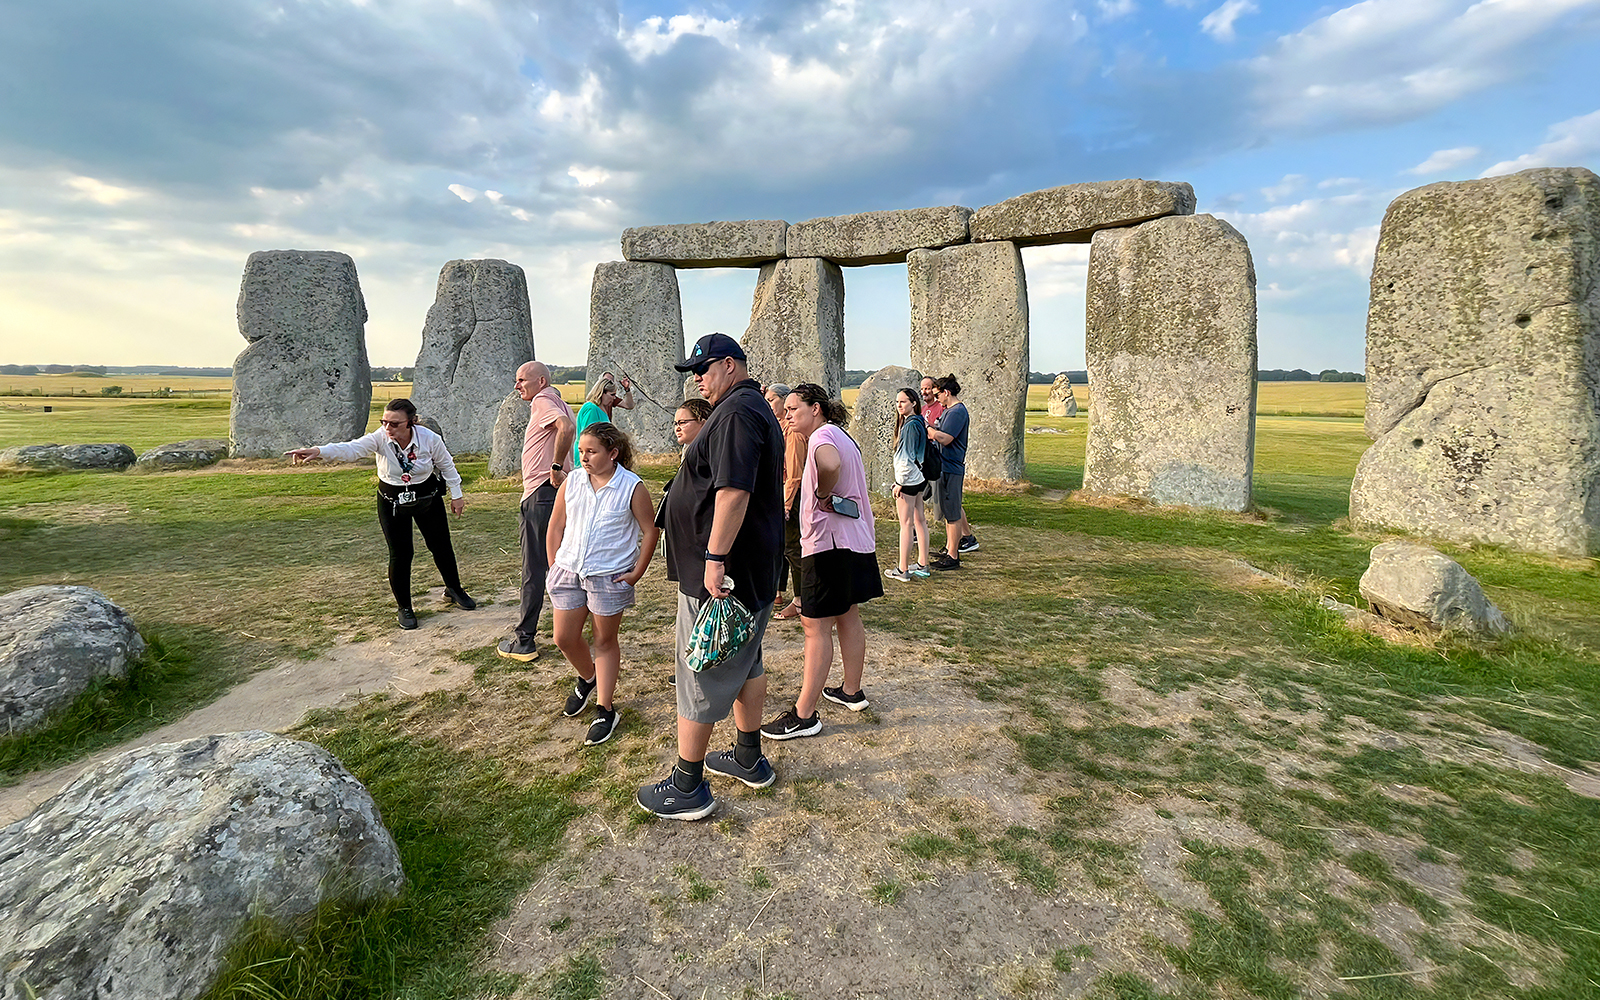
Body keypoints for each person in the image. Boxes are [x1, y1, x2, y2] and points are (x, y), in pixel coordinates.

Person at [636, 333, 785, 821]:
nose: (697, 379)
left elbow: (733, 493)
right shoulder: (747, 407)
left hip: (726, 575)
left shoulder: (739, 413)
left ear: (730, 365)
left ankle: (688, 786)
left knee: (702, 667)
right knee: (747, 664)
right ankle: (747, 757)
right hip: (750, 569)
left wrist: (714, 559)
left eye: (702, 369)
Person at [286, 398, 474, 630]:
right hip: (391, 500)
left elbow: (447, 465)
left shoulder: (429, 438)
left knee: (441, 545)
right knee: (401, 553)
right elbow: (351, 448)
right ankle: (404, 607)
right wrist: (319, 451)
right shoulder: (380, 438)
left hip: (427, 495)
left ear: (411, 422)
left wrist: (457, 495)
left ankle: (454, 589)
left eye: (394, 423)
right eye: (384, 421)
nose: (388, 428)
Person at [762, 383, 883, 740]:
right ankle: (851, 690)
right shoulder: (843, 436)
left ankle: (804, 714)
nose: (787, 416)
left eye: (793, 409)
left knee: (815, 627)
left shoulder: (821, 437)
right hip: (854, 540)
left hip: (828, 545)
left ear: (816, 408)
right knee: (847, 615)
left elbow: (828, 464)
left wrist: (822, 492)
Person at [545, 421, 659, 746]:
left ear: (613, 453)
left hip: (608, 575)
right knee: (564, 638)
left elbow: (650, 530)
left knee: (604, 641)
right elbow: (556, 525)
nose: (583, 457)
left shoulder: (632, 486)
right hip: (568, 570)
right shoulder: (573, 482)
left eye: (591, 451)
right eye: (580, 451)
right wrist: (554, 564)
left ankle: (605, 708)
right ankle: (587, 677)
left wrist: (637, 571)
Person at [498, 361, 575, 663]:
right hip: (554, 493)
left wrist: (555, 467)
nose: (517, 386)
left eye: (521, 380)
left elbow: (566, 429)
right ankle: (570, 629)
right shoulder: (559, 401)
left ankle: (524, 640)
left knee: (535, 568)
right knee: (562, 563)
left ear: (540, 381)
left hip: (541, 493)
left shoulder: (543, 400)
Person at [927, 374, 976, 570]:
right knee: (949, 511)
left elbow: (946, 438)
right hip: (945, 466)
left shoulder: (957, 412)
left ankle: (953, 556)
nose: (936, 398)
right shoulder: (950, 410)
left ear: (947, 393)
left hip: (951, 467)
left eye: (938, 394)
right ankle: (949, 549)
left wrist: (928, 429)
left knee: (953, 513)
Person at [765, 382, 804, 620]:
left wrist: (787, 503)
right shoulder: (779, 426)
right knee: (781, 548)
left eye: (772, 400)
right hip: (779, 492)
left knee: (793, 548)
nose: (769, 405)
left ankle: (799, 601)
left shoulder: (794, 432)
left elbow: (794, 472)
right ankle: (778, 592)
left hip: (793, 495)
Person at [885, 388, 932, 581]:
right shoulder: (919, 421)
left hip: (908, 481)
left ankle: (902, 569)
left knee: (906, 524)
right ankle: (923, 563)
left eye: (903, 402)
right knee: (919, 520)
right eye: (897, 402)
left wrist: (899, 483)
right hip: (918, 479)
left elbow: (906, 458)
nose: (899, 406)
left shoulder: (911, 425)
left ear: (913, 402)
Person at [572, 371, 635, 465]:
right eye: (612, 395)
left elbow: (629, 405)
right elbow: (588, 438)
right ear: (602, 393)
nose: (614, 398)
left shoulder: (601, 408)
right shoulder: (591, 409)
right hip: (589, 460)